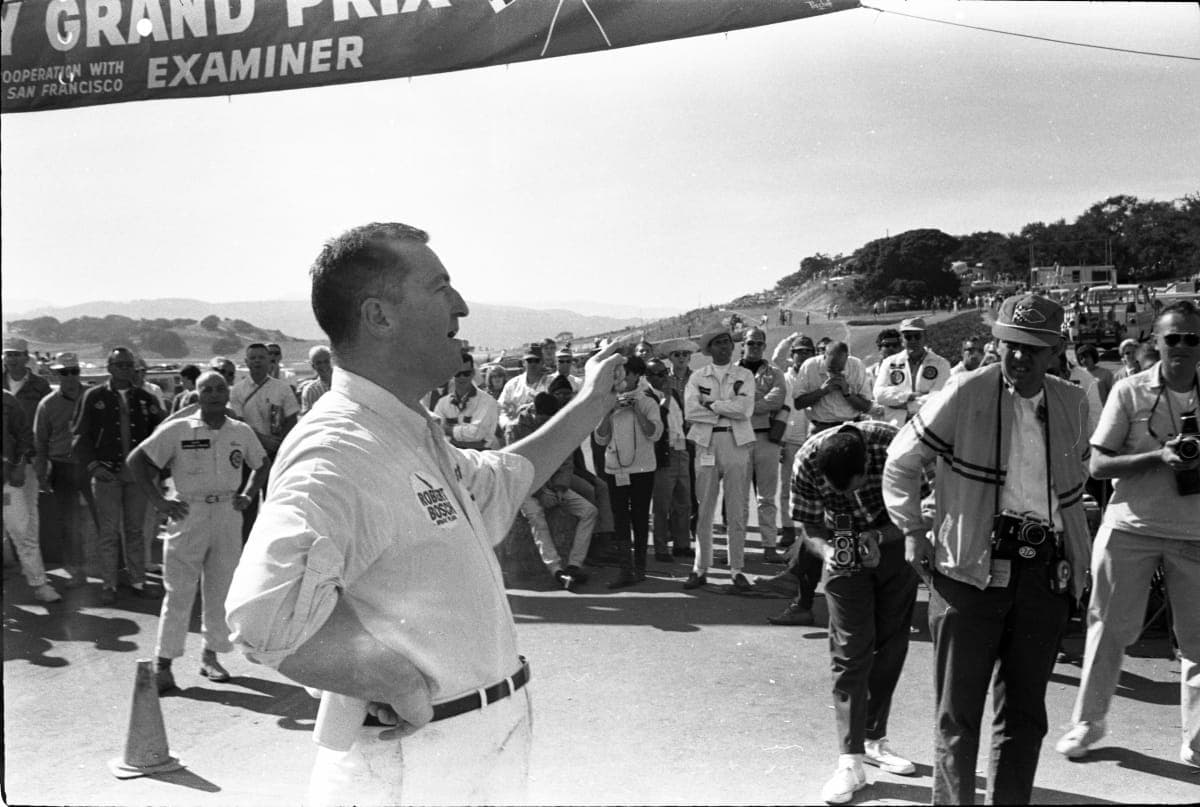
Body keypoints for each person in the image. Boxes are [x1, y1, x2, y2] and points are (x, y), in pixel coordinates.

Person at [225, 222, 625, 805]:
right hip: (417, 765)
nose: (460, 306)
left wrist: (591, 404)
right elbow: (263, 615)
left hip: (461, 750)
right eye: (440, 287)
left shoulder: (403, 430)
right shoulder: (338, 450)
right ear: (379, 316)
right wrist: (393, 679)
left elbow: (500, 481)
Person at [882, 294, 1092, 805]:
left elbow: (1078, 481)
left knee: (1025, 716)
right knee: (958, 715)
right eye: (1010, 345)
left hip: (1044, 573)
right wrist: (913, 530)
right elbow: (901, 461)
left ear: (1057, 351)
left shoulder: (1072, 401)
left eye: (1033, 348)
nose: (1018, 357)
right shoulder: (966, 389)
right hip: (968, 569)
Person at [1056, 300, 1200, 768]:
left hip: (1195, 533)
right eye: (1172, 338)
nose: (1182, 346)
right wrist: (1158, 457)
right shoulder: (1129, 390)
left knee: (1199, 642)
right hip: (1131, 528)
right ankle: (1088, 723)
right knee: (1107, 629)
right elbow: (1098, 464)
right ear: (1155, 341)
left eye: (1192, 339)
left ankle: (1197, 741)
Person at [791, 422, 926, 804]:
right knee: (850, 650)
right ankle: (850, 761)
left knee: (891, 644)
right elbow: (809, 525)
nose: (848, 496)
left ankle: (873, 739)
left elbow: (929, 507)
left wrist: (880, 536)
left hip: (895, 543)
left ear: (868, 466)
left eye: (853, 487)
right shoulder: (806, 461)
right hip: (842, 548)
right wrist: (828, 552)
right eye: (839, 493)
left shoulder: (899, 445)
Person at [128, 370, 270, 693]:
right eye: (208, 390)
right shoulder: (179, 429)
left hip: (227, 512)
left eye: (220, 389)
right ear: (197, 395)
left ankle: (211, 655)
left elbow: (261, 463)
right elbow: (137, 461)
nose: (215, 395)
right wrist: (160, 502)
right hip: (188, 512)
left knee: (221, 588)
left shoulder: (240, 431)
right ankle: (163, 663)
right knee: (179, 590)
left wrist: (248, 495)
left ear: (228, 392)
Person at [72, 346, 166, 605]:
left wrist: (153, 468)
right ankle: (109, 584)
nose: (125, 369)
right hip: (106, 475)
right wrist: (94, 467)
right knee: (108, 532)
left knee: (135, 530)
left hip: (136, 477)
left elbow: (161, 437)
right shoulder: (93, 397)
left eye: (129, 365)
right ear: (109, 368)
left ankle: (138, 581)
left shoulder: (146, 399)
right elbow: (80, 437)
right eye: (120, 365)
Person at [684, 328, 756, 592]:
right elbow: (691, 411)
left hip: (736, 442)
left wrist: (711, 405)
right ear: (709, 349)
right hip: (706, 442)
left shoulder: (744, 375)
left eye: (727, 342)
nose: (724, 347)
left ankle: (737, 568)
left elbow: (744, 409)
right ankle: (700, 567)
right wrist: (725, 409)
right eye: (718, 343)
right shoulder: (697, 377)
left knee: (736, 508)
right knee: (704, 507)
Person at [511, 392, 597, 590]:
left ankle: (574, 565)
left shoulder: (557, 424)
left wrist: (559, 488)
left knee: (589, 511)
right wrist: (541, 492)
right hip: (526, 487)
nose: (546, 423)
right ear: (534, 412)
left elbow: (566, 460)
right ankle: (556, 570)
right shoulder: (516, 428)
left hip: (553, 485)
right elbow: (517, 465)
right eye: (543, 419)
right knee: (537, 517)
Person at [595, 356, 662, 588]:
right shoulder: (608, 401)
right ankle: (625, 569)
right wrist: (610, 412)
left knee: (640, 516)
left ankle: (640, 567)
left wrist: (636, 411)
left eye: (623, 373)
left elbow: (655, 434)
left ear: (635, 375)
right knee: (620, 517)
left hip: (643, 469)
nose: (619, 378)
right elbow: (600, 438)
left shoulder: (647, 401)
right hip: (616, 468)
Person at [229, 342, 299, 541]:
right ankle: (245, 547)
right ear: (246, 362)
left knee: (275, 505)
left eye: (261, 357)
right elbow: (239, 423)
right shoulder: (238, 391)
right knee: (246, 506)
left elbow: (291, 419)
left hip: (275, 455)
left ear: (270, 361)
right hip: (247, 457)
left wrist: (278, 443)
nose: (257, 362)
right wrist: (262, 441)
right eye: (253, 358)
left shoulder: (282, 389)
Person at [33, 352, 87, 589]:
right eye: (64, 372)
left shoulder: (93, 397)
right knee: (69, 521)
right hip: (62, 467)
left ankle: (109, 570)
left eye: (74, 371)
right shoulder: (47, 404)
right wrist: (41, 474)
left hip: (92, 466)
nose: (70, 377)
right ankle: (77, 570)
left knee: (102, 518)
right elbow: (40, 442)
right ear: (56, 374)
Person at [4, 388, 61, 603]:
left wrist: (19, 466)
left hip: (6, 480)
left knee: (22, 530)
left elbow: (24, 436)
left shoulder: (7, 400)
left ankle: (39, 583)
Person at [739, 327, 788, 563]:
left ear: (765, 346)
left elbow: (777, 399)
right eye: (751, 343)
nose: (755, 347)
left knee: (766, 497)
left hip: (767, 438)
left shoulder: (774, 372)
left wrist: (746, 406)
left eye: (759, 344)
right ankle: (737, 547)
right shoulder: (731, 372)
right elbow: (728, 401)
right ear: (743, 345)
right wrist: (759, 402)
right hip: (739, 439)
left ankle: (769, 546)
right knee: (738, 497)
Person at [3, 336, 52, 566]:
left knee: (29, 511)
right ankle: (10, 559)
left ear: (26, 357)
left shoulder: (40, 386)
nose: (12, 359)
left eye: (16, 354)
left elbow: (47, 422)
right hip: (4, 459)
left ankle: (31, 565)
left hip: (29, 457)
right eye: (8, 354)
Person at [645, 358, 691, 561]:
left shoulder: (673, 394)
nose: (664, 377)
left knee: (683, 502)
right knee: (662, 505)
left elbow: (681, 421)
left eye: (665, 373)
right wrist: (666, 399)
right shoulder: (648, 397)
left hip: (681, 450)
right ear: (648, 377)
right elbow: (657, 424)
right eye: (659, 374)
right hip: (664, 454)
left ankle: (682, 545)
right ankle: (661, 547)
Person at [773, 334, 816, 549]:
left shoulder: (816, 376)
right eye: (800, 351)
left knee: (813, 489)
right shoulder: (783, 377)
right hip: (789, 438)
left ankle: (811, 531)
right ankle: (788, 528)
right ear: (793, 355)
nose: (804, 355)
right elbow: (776, 359)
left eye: (808, 351)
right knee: (787, 487)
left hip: (813, 438)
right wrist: (789, 339)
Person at [873, 317, 952, 428]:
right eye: (908, 337)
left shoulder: (941, 364)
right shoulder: (889, 362)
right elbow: (879, 394)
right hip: (896, 426)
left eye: (917, 336)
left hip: (928, 425)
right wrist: (909, 396)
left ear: (925, 337)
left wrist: (904, 405)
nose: (913, 341)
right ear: (902, 339)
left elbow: (938, 398)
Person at [795, 341, 873, 433]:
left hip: (850, 426)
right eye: (831, 369)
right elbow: (798, 404)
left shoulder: (856, 366)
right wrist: (822, 391)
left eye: (840, 369)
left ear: (847, 359)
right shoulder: (810, 366)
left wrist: (847, 393)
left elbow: (867, 407)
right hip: (821, 427)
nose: (835, 372)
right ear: (824, 357)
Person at [433, 351, 501, 450]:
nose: (462, 377)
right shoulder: (442, 403)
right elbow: (436, 432)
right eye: (458, 374)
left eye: (466, 373)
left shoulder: (488, 402)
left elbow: (476, 434)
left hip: (483, 454)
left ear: (473, 373)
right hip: (455, 454)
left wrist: (447, 430)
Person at [498, 343, 551, 431]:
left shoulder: (552, 383)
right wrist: (508, 425)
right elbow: (501, 409)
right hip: (516, 431)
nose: (533, 364)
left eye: (536, 360)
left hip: (544, 430)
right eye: (529, 360)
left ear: (542, 362)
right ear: (523, 363)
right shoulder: (512, 385)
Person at [300, 345, 334, 416]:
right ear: (313, 366)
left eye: (326, 361)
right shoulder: (311, 390)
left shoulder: (344, 384)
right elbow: (307, 417)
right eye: (318, 363)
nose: (323, 365)